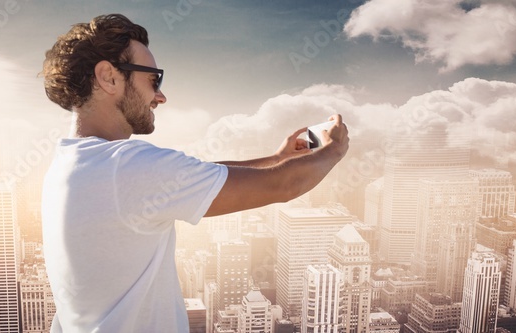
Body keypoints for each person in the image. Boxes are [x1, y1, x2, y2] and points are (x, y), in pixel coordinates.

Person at [40, 13, 349, 332]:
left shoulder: (68, 166)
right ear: (109, 77)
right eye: (153, 79)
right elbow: (285, 185)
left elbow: (201, 175)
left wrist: (276, 157)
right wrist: (333, 151)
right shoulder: (127, 166)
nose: (160, 96)